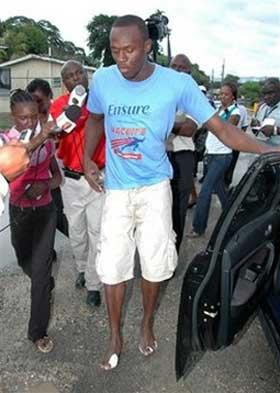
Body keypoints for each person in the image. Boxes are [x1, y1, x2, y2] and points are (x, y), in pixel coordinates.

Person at [83, 14, 279, 371]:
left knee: (155, 266)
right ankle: (114, 334)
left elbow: (222, 130)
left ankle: (145, 324)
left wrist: (268, 151)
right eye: (115, 51)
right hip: (116, 187)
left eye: (129, 50)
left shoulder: (177, 84)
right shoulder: (103, 80)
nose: (122, 58)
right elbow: (95, 118)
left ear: (147, 47)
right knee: (111, 268)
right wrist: (86, 158)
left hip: (156, 186)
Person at [5, 89, 62, 353]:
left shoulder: (48, 140)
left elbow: (57, 178)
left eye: (31, 117)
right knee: (24, 262)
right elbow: (17, 157)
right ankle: (42, 282)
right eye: (21, 118)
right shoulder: (7, 142)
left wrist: (44, 186)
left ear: (38, 113)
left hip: (45, 212)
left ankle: (37, 332)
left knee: (40, 273)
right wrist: (42, 135)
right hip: (19, 212)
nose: (27, 123)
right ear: (12, 117)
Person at [50, 60, 105, 307]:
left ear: (87, 75)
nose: (76, 78)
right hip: (71, 182)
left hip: (98, 179)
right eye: (70, 76)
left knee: (97, 232)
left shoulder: (101, 100)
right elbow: (58, 132)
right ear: (64, 82)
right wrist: (73, 110)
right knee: (78, 232)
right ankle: (82, 268)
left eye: (80, 73)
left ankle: (94, 283)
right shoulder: (59, 106)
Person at [189, 82, 240, 237]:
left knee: (205, 191)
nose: (222, 97)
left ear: (233, 96)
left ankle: (199, 228)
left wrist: (211, 122)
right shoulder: (218, 109)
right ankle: (233, 219)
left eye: (225, 94)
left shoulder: (235, 112)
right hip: (210, 155)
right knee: (220, 191)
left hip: (222, 156)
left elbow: (225, 129)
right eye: (221, 94)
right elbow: (206, 125)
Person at [27, 79, 69, 239]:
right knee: (52, 215)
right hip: (44, 174)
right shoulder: (31, 119)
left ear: (49, 96)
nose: (35, 105)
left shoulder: (61, 115)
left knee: (66, 215)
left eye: (39, 100)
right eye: (32, 101)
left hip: (64, 170)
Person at [167, 54, 197, 252]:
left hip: (182, 157)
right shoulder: (159, 92)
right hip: (160, 156)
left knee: (177, 209)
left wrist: (161, 120)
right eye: (173, 66)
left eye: (182, 67)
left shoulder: (192, 96)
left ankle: (172, 254)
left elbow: (189, 128)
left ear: (189, 72)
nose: (177, 70)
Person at [251, 78, 280, 142]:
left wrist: (275, 130)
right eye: (264, 93)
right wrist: (254, 124)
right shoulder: (262, 107)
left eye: (270, 93)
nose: (266, 97)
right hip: (261, 149)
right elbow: (255, 126)